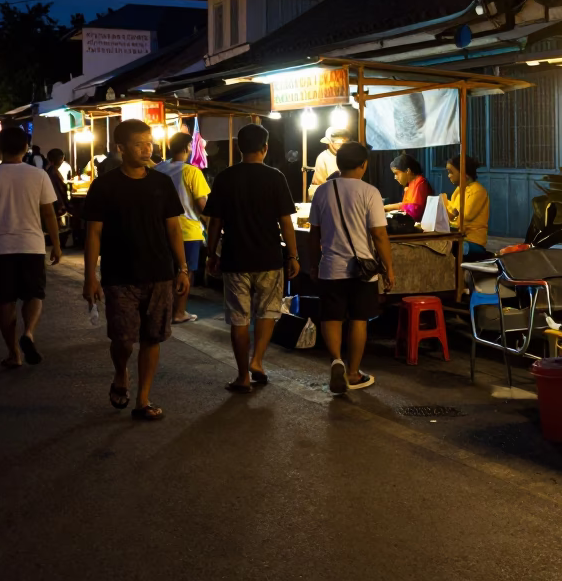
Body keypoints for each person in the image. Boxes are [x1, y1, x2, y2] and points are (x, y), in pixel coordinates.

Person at [82, 119, 189, 421]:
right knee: (123, 340)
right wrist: (90, 277)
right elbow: (94, 234)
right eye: (139, 143)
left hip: (159, 273)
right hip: (119, 276)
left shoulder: (161, 183)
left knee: (152, 337)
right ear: (120, 148)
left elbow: (173, 228)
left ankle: (143, 399)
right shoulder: (104, 186)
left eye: (150, 142)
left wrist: (182, 268)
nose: (147, 148)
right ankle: (120, 374)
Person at [204, 124, 299, 393]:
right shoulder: (275, 177)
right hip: (269, 257)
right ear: (265, 148)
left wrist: (212, 253)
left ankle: (243, 376)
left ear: (238, 148)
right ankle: (257, 361)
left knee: (239, 318)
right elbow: (286, 222)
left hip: (235, 258)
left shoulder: (225, 178)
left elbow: (215, 222)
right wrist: (292, 255)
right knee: (268, 311)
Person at [0, 126, 61, 369]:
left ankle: (13, 353)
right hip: (32, 245)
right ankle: (28, 332)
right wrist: (57, 245)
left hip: (0, 247)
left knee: (5, 301)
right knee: (34, 295)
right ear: (25, 148)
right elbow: (49, 213)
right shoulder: (38, 175)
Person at [308, 142, 395, 395]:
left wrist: (313, 264)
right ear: (363, 165)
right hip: (362, 270)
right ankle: (354, 373)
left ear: (338, 163)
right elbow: (379, 235)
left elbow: (315, 235)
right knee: (359, 320)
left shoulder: (322, 192)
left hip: (330, 267)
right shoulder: (370, 192)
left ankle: (336, 360)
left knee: (332, 318)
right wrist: (389, 268)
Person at [154, 132, 211, 324]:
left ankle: (164, 310)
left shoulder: (159, 168)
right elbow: (202, 204)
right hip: (187, 230)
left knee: (166, 273)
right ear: (188, 148)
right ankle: (179, 312)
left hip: (161, 230)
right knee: (185, 272)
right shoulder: (192, 171)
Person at [443, 154, 489, 258]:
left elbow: (464, 217)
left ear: (465, 174)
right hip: (457, 237)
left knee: (446, 247)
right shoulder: (459, 190)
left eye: (451, 172)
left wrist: (447, 207)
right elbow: (452, 215)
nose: (448, 175)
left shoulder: (478, 191)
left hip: (472, 242)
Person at [385, 153, 432, 221]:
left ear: (408, 171)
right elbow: (406, 206)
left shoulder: (421, 183)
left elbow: (413, 212)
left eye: (396, 173)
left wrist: (388, 208)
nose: (395, 177)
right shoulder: (411, 184)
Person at [307, 127, 350, 200]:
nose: (342, 146)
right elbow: (317, 187)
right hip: (329, 198)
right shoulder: (323, 157)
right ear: (329, 143)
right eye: (338, 144)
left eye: (345, 143)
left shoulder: (350, 156)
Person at [44, 148, 72, 235]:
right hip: (56, 203)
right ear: (61, 159)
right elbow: (59, 190)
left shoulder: (47, 171)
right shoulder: (52, 173)